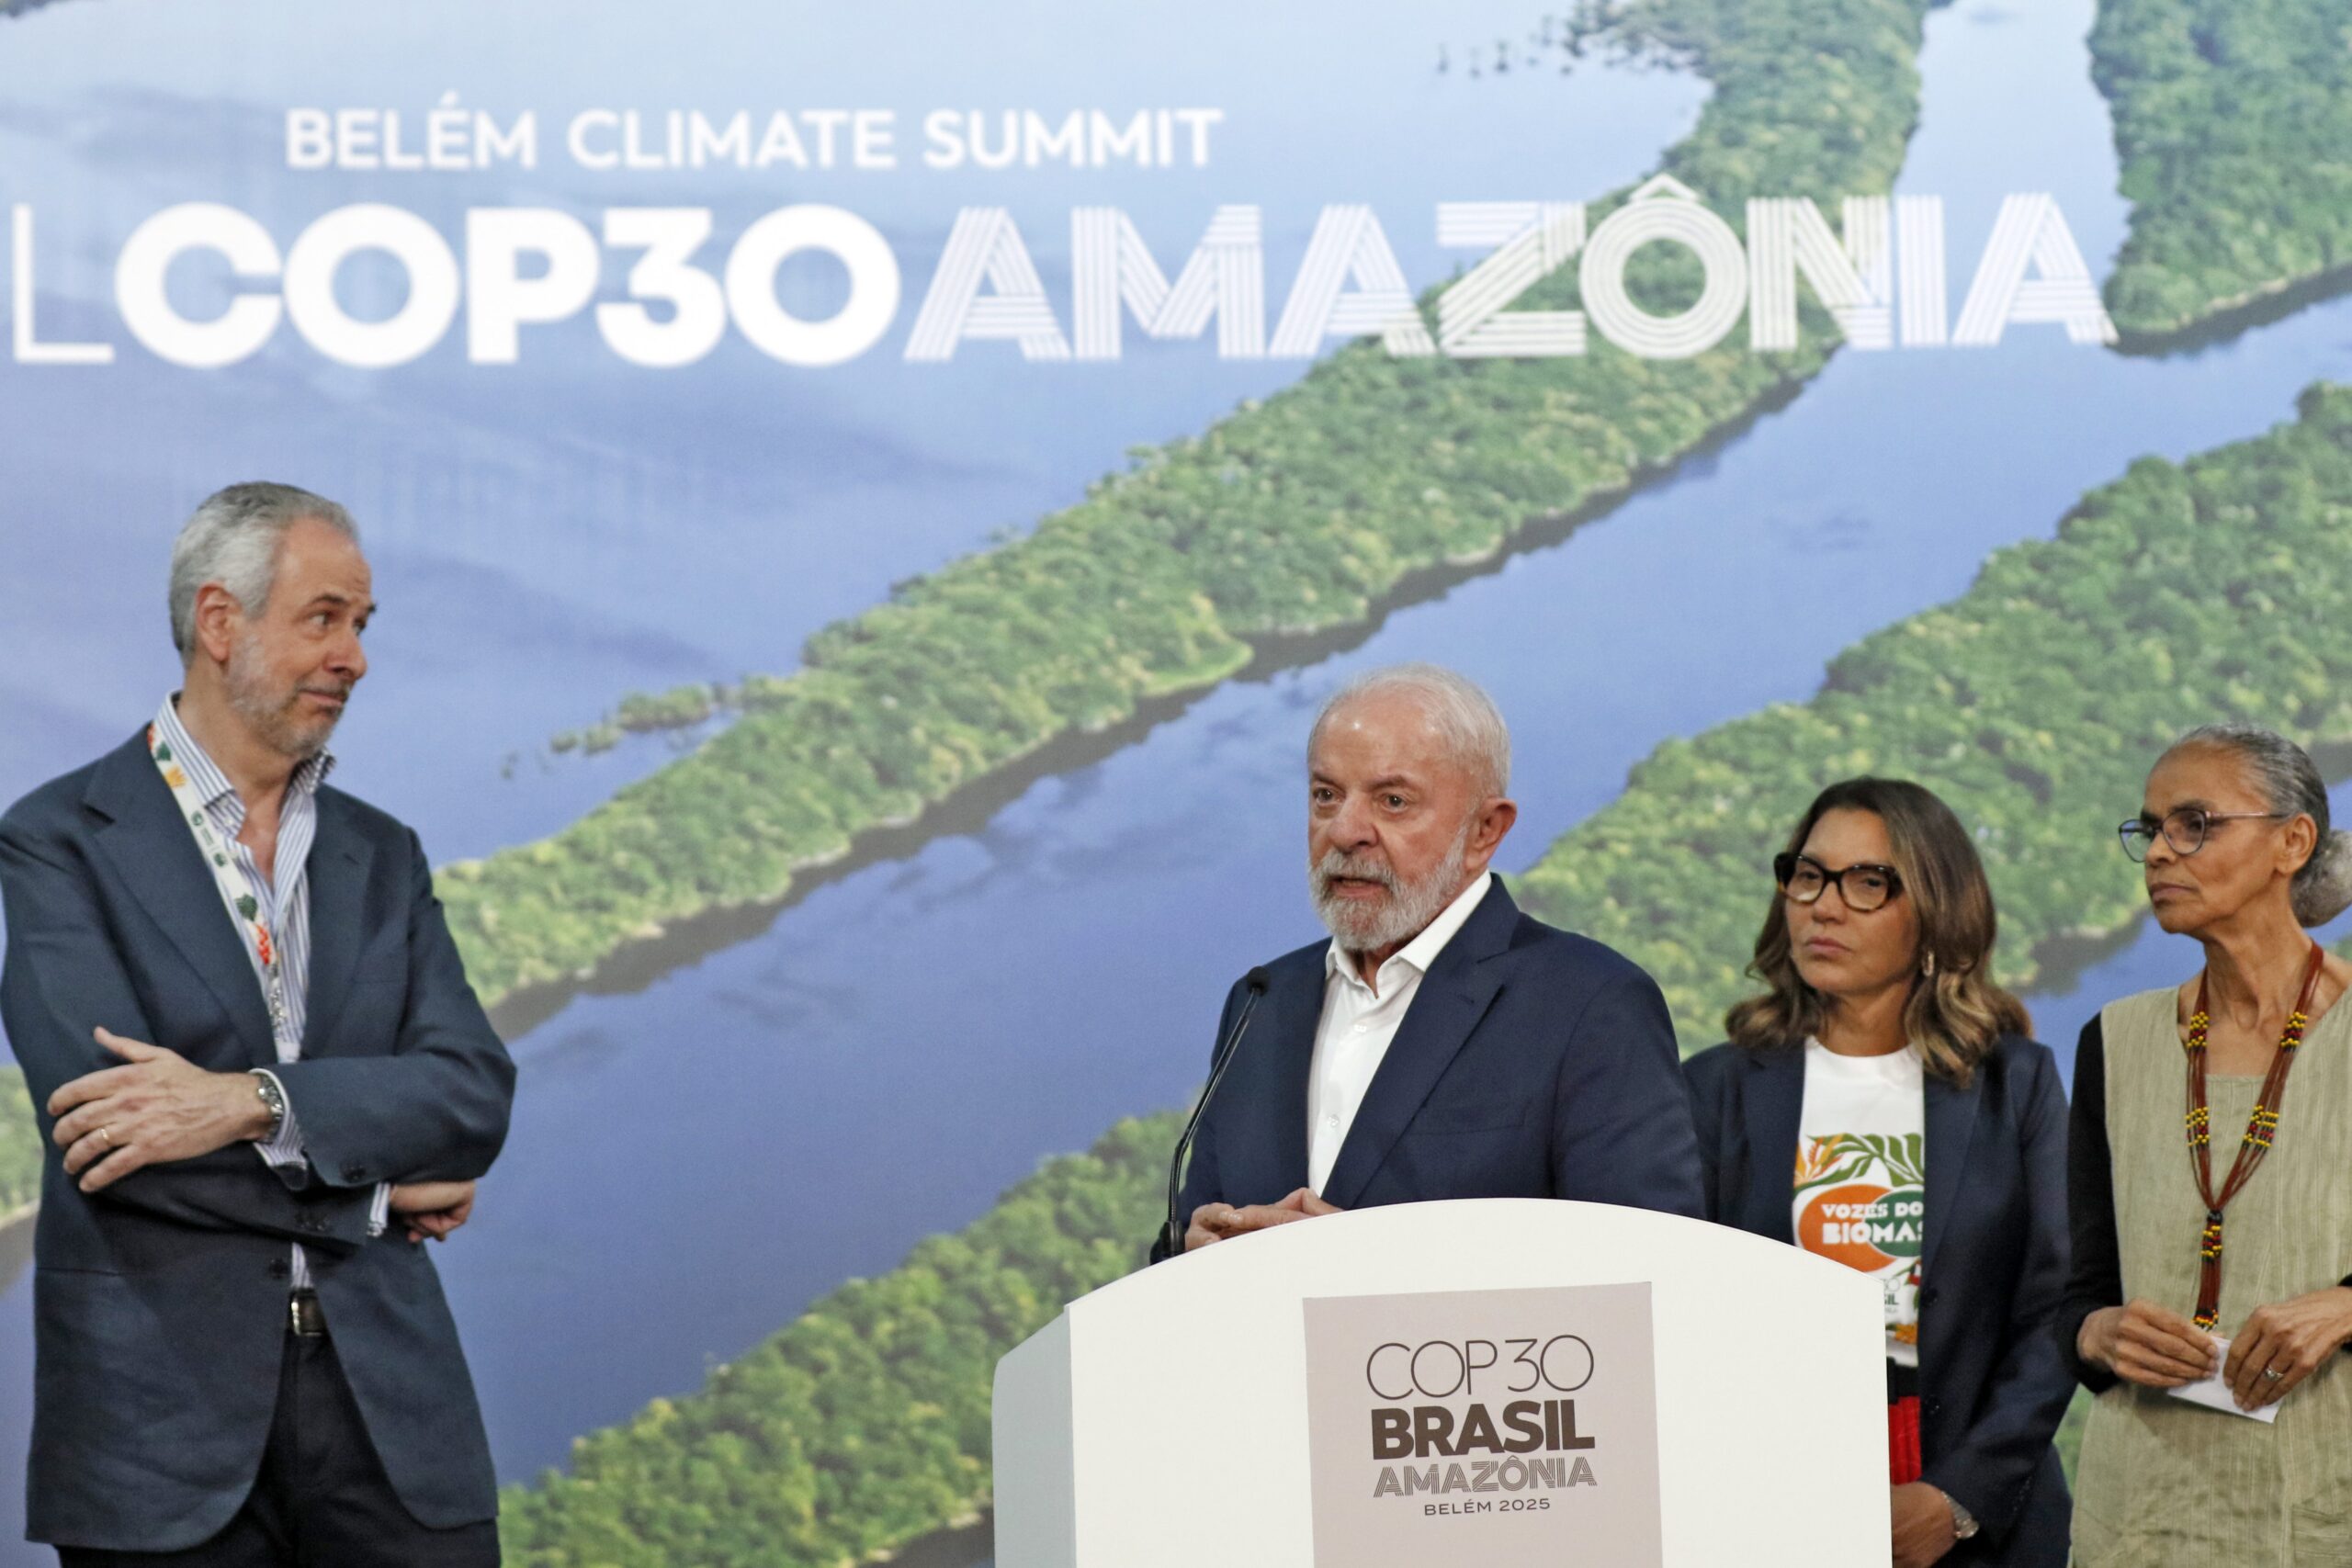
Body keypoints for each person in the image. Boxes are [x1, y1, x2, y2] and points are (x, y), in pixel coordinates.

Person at [0, 483, 517, 1565]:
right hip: (161, 1447)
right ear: (220, 622)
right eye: (323, 618)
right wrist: (374, 1191)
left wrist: (251, 1103)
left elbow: (469, 1095)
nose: (354, 657)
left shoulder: (383, 852)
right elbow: (118, 1146)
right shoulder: (58, 842)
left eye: (361, 626)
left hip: (397, 1430)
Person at [1158, 662, 1702, 1261]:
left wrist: (1378, 1262)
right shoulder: (1261, 1000)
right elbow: (1175, 1246)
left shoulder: (1590, 1005)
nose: (1345, 830)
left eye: (1392, 800)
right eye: (1325, 795)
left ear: (1484, 832)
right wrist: (1195, 1248)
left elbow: (1648, 1268)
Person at [1684, 780, 2074, 1567]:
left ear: (1935, 911)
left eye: (1868, 883)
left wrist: (1958, 1497)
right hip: (1768, 1511)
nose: (1824, 906)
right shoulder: (1713, 1087)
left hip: (1978, 1524)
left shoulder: (2016, 1083)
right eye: (1808, 874)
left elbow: (2058, 1306)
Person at [2061, 724, 2352, 1564]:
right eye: (2149, 829)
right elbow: (2077, 1291)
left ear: (2291, 842)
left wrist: (2343, 1306)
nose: (2160, 852)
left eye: (2193, 824)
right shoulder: (2113, 1040)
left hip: (2324, 1509)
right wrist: (2097, 1333)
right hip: (2147, 1516)